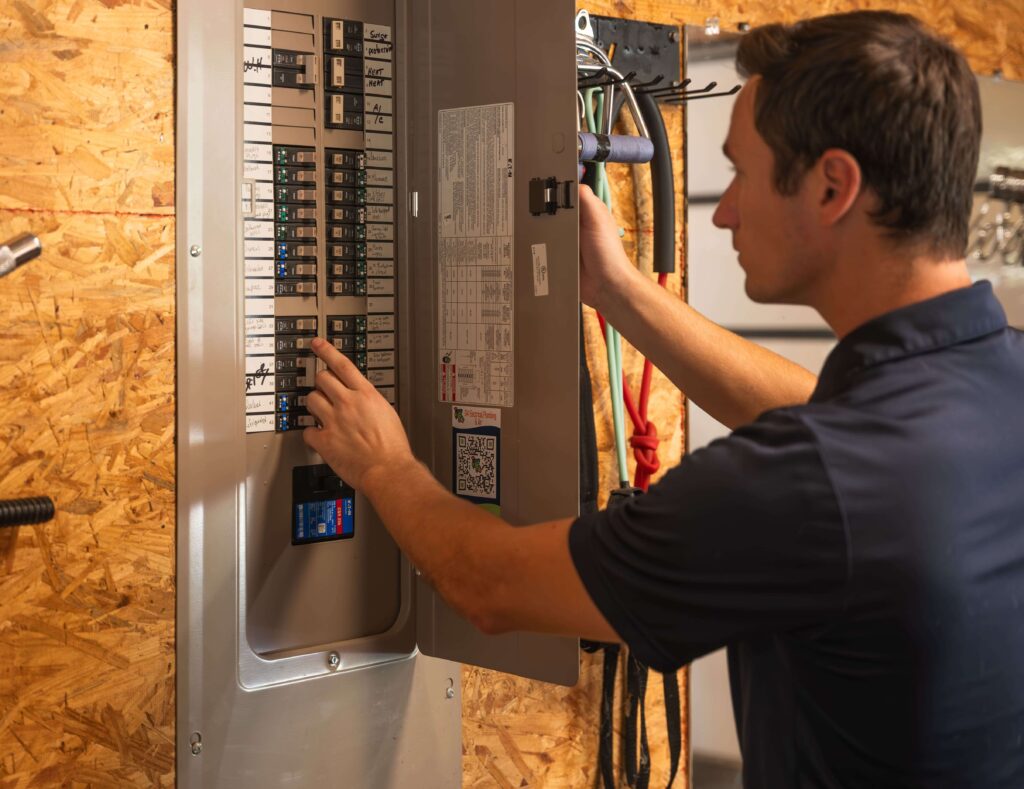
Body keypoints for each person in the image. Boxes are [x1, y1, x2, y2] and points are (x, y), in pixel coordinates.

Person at [303, 10, 1024, 787]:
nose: (725, 208)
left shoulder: (804, 485)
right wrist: (618, 290)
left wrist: (382, 465)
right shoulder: (992, 382)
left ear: (832, 186)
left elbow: (490, 586)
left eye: (741, 172)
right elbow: (833, 416)